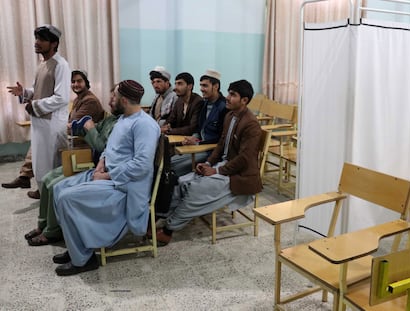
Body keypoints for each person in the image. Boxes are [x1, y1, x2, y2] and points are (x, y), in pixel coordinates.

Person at [52, 80, 160, 276]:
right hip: (108, 174)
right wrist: (101, 163)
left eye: (114, 97)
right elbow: (111, 148)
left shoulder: (145, 125)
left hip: (125, 185)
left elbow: (142, 165)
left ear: (124, 100)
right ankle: (78, 245)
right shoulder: (123, 119)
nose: (111, 100)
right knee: (58, 189)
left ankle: (83, 259)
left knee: (67, 198)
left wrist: (106, 175)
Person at [154, 80, 262, 246]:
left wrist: (217, 171)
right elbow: (220, 145)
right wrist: (209, 163)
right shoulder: (230, 115)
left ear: (244, 100)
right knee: (182, 181)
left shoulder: (251, 124)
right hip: (223, 166)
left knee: (195, 189)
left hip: (239, 175)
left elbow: (244, 159)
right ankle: (160, 216)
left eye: (233, 95)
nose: (227, 97)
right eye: (229, 92)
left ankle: (168, 230)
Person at [25, 86, 120, 246]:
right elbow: (96, 132)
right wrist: (82, 127)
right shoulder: (111, 119)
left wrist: (89, 128)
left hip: (95, 165)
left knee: (56, 186)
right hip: (93, 161)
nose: (110, 101)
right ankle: (43, 224)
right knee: (48, 178)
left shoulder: (121, 124)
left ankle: (53, 231)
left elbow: (102, 147)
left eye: (114, 98)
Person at [6, 24, 71, 197]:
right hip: (40, 122)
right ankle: (45, 202)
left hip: (52, 125)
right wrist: (25, 94)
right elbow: (38, 91)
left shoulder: (61, 65)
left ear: (54, 43)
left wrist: (33, 105)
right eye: (36, 38)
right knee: (39, 166)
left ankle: (51, 214)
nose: (37, 43)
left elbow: (62, 98)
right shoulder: (43, 64)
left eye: (42, 39)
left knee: (49, 167)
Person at [171, 69, 228, 176]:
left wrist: (198, 143)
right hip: (199, 146)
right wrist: (193, 138)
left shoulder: (223, 107)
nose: (201, 89)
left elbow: (221, 139)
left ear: (215, 86)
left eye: (205, 86)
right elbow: (199, 128)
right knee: (168, 162)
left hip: (210, 151)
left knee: (173, 168)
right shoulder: (205, 103)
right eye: (201, 85)